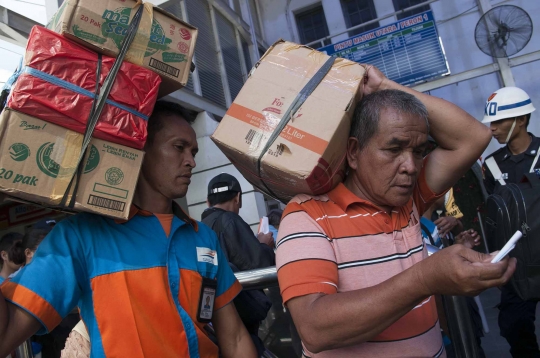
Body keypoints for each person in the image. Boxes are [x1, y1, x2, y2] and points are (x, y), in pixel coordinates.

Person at [276, 66, 516, 357]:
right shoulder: (306, 215)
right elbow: (315, 329)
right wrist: (425, 278)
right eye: (394, 149)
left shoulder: (409, 199)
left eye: (418, 151)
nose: (411, 166)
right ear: (353, 152)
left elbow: (474, 136)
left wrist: (384, 88)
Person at [0, 101, 257, 358]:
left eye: (194, 152)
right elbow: (8, 329)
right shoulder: (81, 237)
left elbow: (234, 337)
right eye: (179, 148)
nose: (191, 162)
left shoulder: (204, 237)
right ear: (141, 148)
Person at [482, 86, 539, 357]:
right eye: (491, 122)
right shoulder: (492, 165)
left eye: (498, 121)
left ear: (522, 119)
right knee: (514, 326)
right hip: (516, 262)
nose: (492, 129)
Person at [202, 173, 275, 356]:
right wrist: (264, 246)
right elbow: (260, 264)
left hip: (214, 321)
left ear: (207, 202)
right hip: (240, 321)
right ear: (238, 198)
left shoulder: (200, 227)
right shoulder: (231, 221)